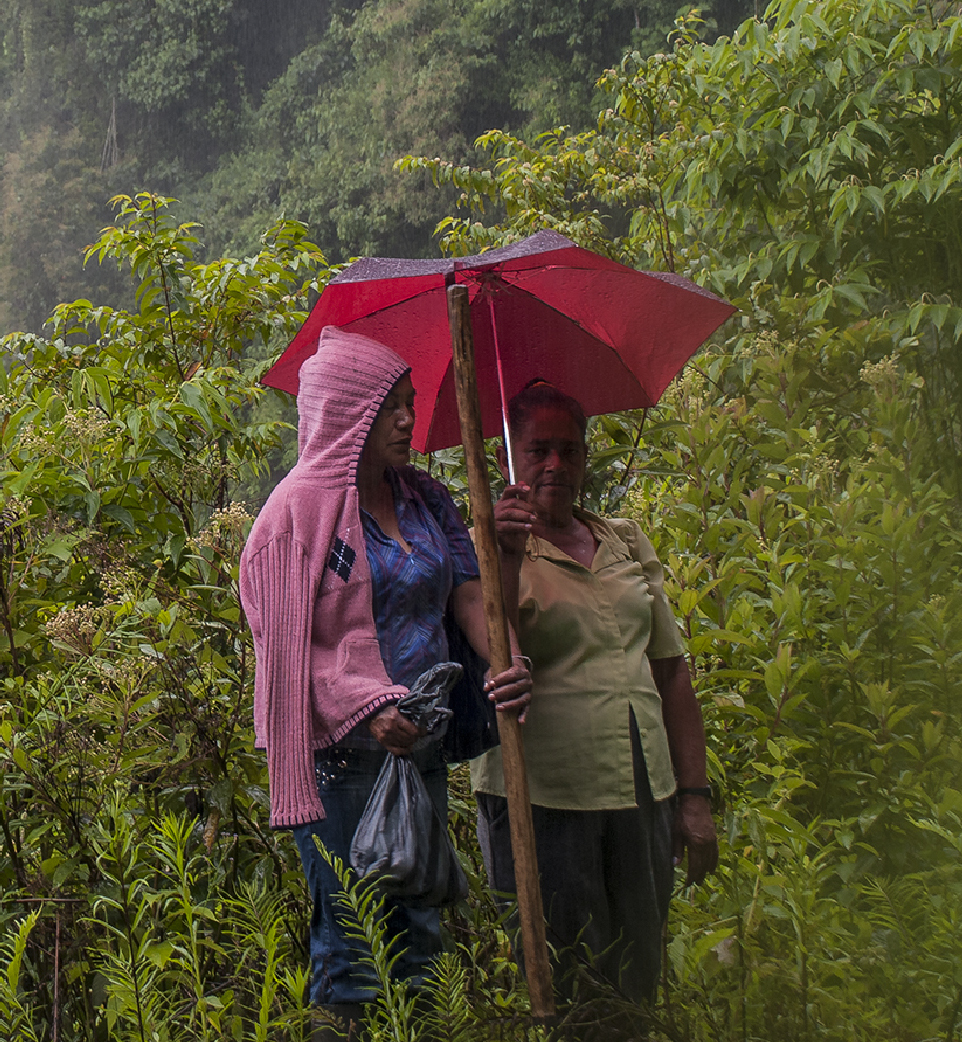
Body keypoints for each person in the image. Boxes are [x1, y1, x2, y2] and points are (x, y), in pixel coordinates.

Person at [240, 327, 531, 1038]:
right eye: (391, 407)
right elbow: (281, 651)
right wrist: (364, 706)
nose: (408, 419)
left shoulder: (426, 500)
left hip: (417, 753)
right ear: (348, 413)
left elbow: (467, 595)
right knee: (352, 945)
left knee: (420, 935)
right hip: (344, 765)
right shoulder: (293, 516)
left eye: (408, 402)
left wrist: (507, 660)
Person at [473, 379, 719, 1005]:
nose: (556, 464)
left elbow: (670, 672)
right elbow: (492, 632)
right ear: (508, 457)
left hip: (642, 790)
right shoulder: (482, 542)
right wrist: (502, 550)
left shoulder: (624, 540)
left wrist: (693, 798)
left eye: (570, 450)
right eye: (538, 450)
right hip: (544, 798)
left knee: (637, 968)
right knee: (565, 978)